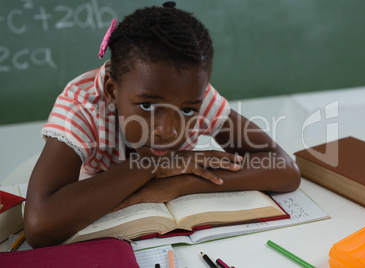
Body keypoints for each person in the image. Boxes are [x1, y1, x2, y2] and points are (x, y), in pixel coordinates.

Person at [24, 2, 300, 248]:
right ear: (111, 90)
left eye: (188, 110)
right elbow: (39, 226)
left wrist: (182, 183)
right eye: (147, 106)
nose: (168, 131)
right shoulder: (81, 106)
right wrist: (153, 165)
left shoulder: (191, 94)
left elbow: (284, 168)